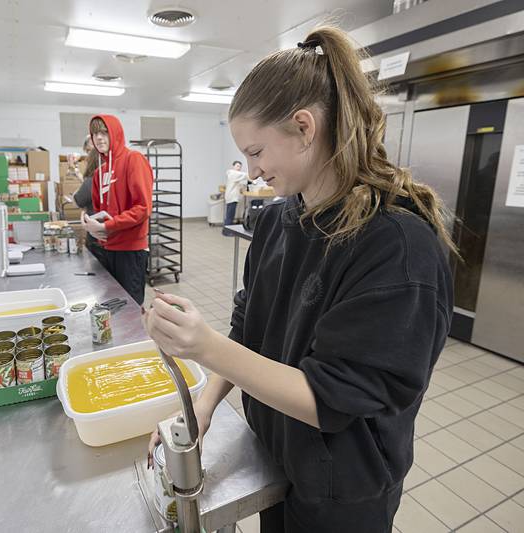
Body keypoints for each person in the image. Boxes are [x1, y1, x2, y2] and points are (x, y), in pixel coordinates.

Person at [144, 26, 454, 533]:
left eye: (258, 152)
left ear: (305, 127)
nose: (251, 169)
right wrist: (201, 407)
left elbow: (331, 399)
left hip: (342, 491)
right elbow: (249, 329)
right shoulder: (278, 222)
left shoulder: (395, 246)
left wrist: (203, 348)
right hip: (279, 459)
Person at [81, 115, 153, 305]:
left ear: (115, 133)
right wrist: (91, 224)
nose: (99, 138)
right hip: (107, 249)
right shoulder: (99, 173)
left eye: (104, 132)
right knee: (111, 306)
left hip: (131, 251)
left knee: (131, 309)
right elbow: (99, 210)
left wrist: (108, 226)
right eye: (95, 133)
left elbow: (142, 208)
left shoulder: (134, 160)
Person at [72, 135, 104, 263]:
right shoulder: (106, 178)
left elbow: (77, 201)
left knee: (99, 271)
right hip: (109, 233)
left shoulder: (92, 180)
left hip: (96, 234)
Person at [223, 160, 249, 229]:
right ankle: (227, 231)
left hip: (231, 197)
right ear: (233, 166)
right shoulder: (233, 173)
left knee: (230, 215)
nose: (239, 168)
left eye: (240, 166)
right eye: (237, 166)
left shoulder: (234, 175)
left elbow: (240, 182)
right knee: (230, 215)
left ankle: (226, 230)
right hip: (232, 197)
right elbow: (245, 175)